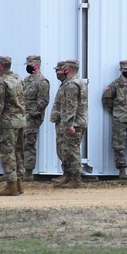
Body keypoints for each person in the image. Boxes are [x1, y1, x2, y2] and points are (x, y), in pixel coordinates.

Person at [0, 56, 27, 196]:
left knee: (7, 153)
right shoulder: (17, 78)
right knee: (18, 152)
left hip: (8, 123)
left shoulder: (2, 82)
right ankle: (19, 184)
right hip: (20, 120)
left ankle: (11, 186)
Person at [50, 59, 88, 188]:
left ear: (68, 69)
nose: (59, 72)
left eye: (61, 69)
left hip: (73, 123)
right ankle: (68, 176)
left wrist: (69, 124)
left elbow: (71, 106)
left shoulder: (72, 84)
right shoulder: (70, 83)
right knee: (65, 150)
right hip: (69, 122)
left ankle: (75, 179)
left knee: (72, 151)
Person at [22, 55, 51, 178]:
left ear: (37, 65)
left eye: (30, 65)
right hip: (22, 116)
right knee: (19, 143)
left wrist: (32, 113)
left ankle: (28, 172)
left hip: (32, 117)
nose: (28, 67)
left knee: (29, 143)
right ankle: (18, 171)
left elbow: (43, 101)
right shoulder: (27, 80)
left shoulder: (42, 81)